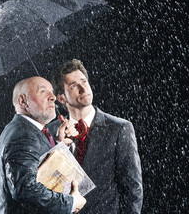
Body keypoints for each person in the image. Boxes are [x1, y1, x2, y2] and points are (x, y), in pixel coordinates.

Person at [46, 59, 143, 214]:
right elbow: (44, 186)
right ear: (61, 98)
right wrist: (59, 145)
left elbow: (133, 188)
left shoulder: (119, 128)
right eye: (73, 86)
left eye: (84, 81)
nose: (83, 88)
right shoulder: (50, 132)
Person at [0, 76, 86, 214]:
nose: (53, 97)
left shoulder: (26, 130)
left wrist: (59, 145)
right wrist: (71, 203)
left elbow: (38, 170)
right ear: (23, 101)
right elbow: (25, 189)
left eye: (51, 91)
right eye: (43, 91)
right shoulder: (23, 134)